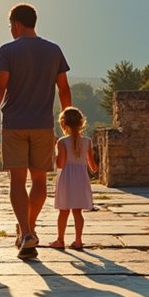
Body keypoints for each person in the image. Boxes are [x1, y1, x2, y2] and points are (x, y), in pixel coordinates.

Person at [0, 3, 71, 259]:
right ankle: (28, 229)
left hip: (14, 124)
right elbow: (64, 88)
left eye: (10, 25)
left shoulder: (7, 50)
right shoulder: (54, 50)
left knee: (18, 180)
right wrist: (67, 119)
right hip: (43, 124)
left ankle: (26, 231)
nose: (10, 30)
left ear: (17, 24)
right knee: (40, 180)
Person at [49, 107, 97, 249]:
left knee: (64, 211)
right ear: (81, 123)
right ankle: (78, 240)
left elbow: (60, 164)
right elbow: (93, 166)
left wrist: (55, 153)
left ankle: (60, 240)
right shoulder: (87, 141)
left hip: (66, 177)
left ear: (63, 123)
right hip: (81, 177)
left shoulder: (62, 142)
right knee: (78, 211)